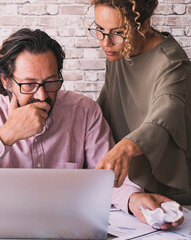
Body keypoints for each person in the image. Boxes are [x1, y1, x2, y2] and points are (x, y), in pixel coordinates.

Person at [0, 28, 181, 229]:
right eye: (29, 84)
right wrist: (5, 136)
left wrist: (133, 199)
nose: (42, 95)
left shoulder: (85, 113)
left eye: (50, 81)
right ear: (6, 82)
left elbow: (107, 178)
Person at [87, 0, 190, 227]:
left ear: (143, 25)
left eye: (117, 32)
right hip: (129, 191)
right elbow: (107, 104)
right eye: (100, 30)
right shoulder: (119, 50)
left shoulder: (173, 64)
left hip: (167, 190)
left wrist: (124, 147)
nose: (106, 42)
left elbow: (166, 112)